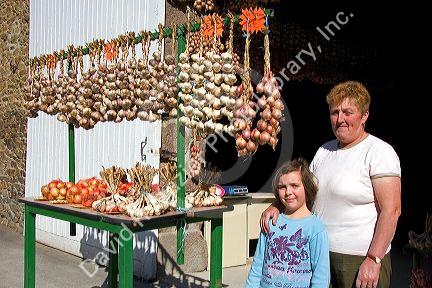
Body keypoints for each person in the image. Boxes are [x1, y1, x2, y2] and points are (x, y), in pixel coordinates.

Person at [260, 81, 401, 288]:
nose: (340, 119)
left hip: (358, 259)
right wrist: (277, 205)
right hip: (318, 254)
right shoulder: (324, 151)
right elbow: (304, 192)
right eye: (335, 112)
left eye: (347, 112)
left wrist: (374, 259)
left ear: (364, 116)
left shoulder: (378, 152)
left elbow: (392, 210)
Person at [246, 158, 330, 288]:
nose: (288, 192)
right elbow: (257, 265)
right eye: (282, 187)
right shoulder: (270, 221)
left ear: (307, 189)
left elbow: (321, 277)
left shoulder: (316, 228)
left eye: (295, 186)